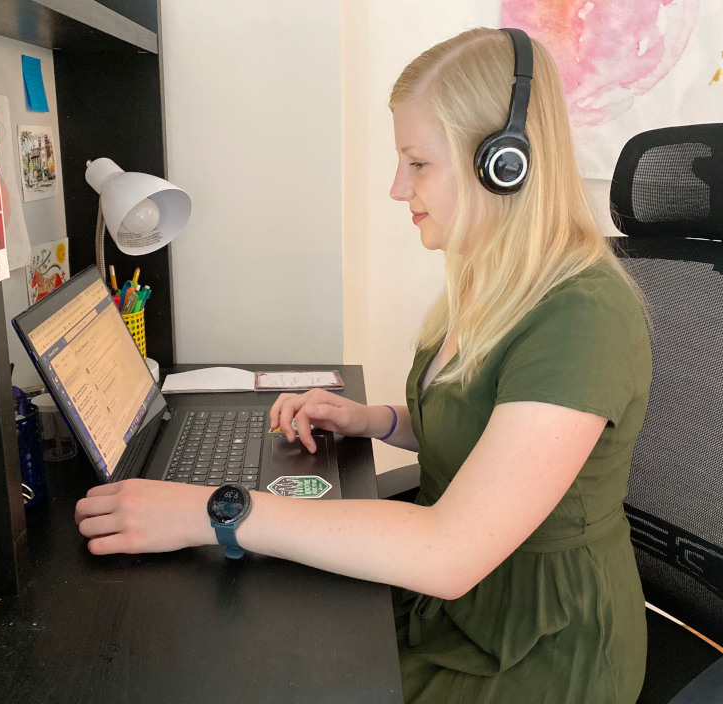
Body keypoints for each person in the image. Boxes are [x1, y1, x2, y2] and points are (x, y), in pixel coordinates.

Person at [74, 27, 651, 703]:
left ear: (504, 164)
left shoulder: (581, 315)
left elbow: (451, 552)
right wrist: (374, 420)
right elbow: (482, 427)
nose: (397, 188)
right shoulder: (491, 279)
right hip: (457, 605)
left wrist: (216, 511)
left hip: (540, 642)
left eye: (418, 163)